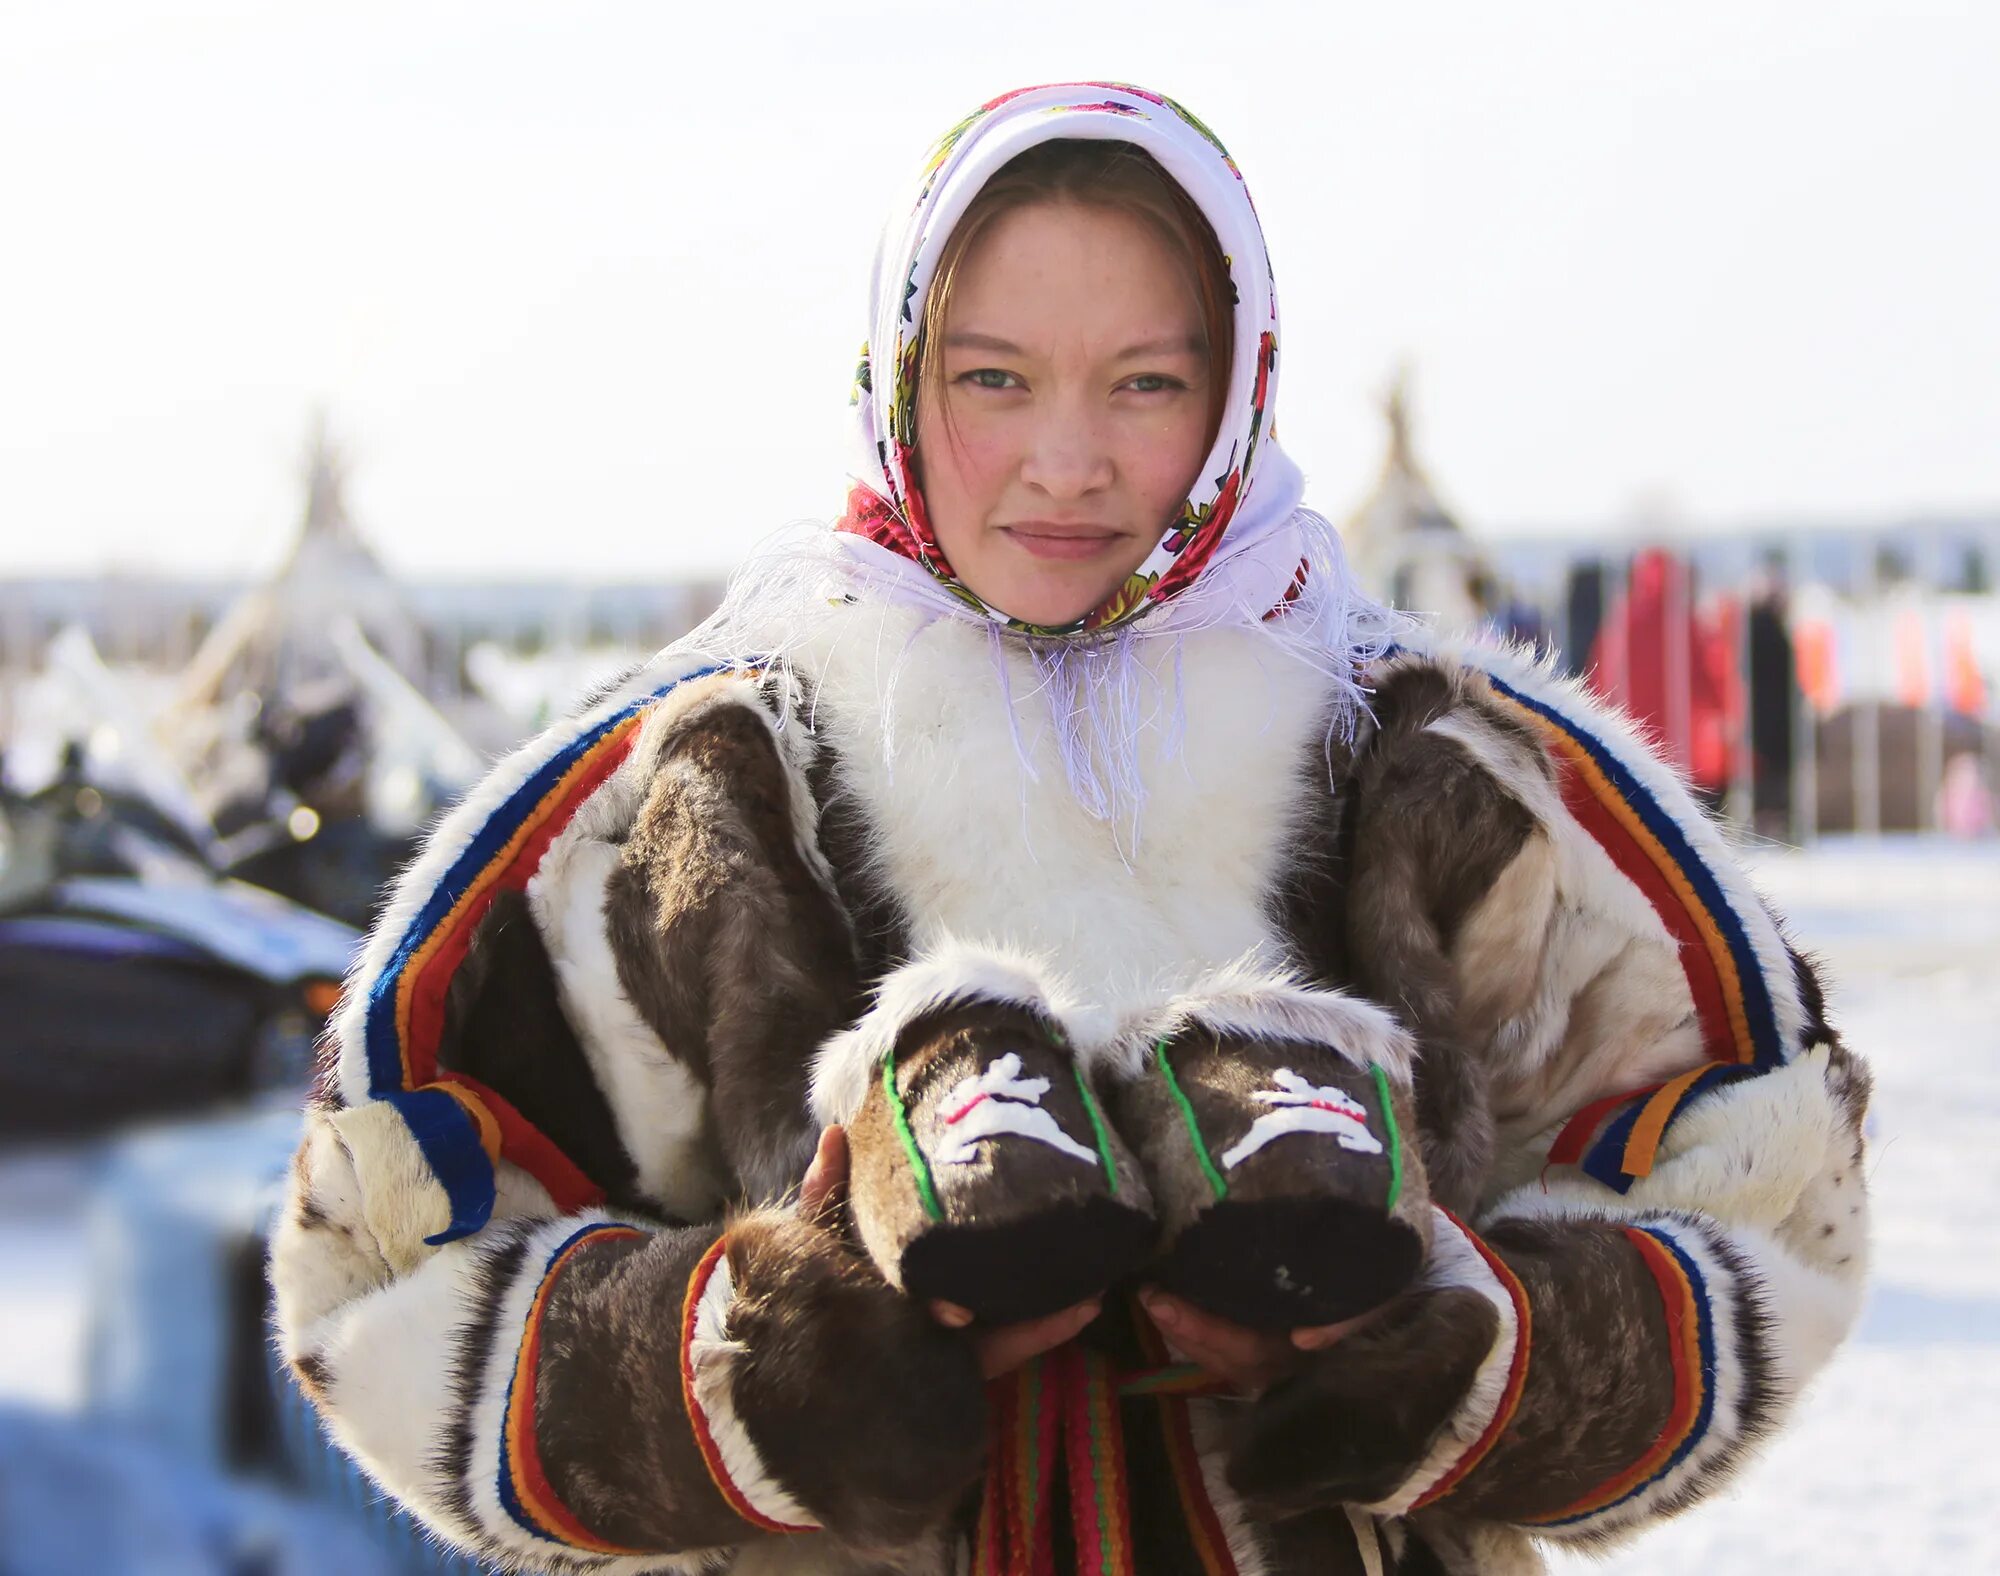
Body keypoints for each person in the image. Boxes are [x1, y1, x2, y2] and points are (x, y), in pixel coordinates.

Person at [269, 83, 1872, 1574]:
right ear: (901, 374)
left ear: (1237, 385)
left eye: (1147, 383)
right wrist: (767, 1367)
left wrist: (1458, 1355)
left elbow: (1771, 1190)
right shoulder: (697, 777)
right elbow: (380, 1262)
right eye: (994, 379)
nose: (1068, 460)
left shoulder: (1438, 759)